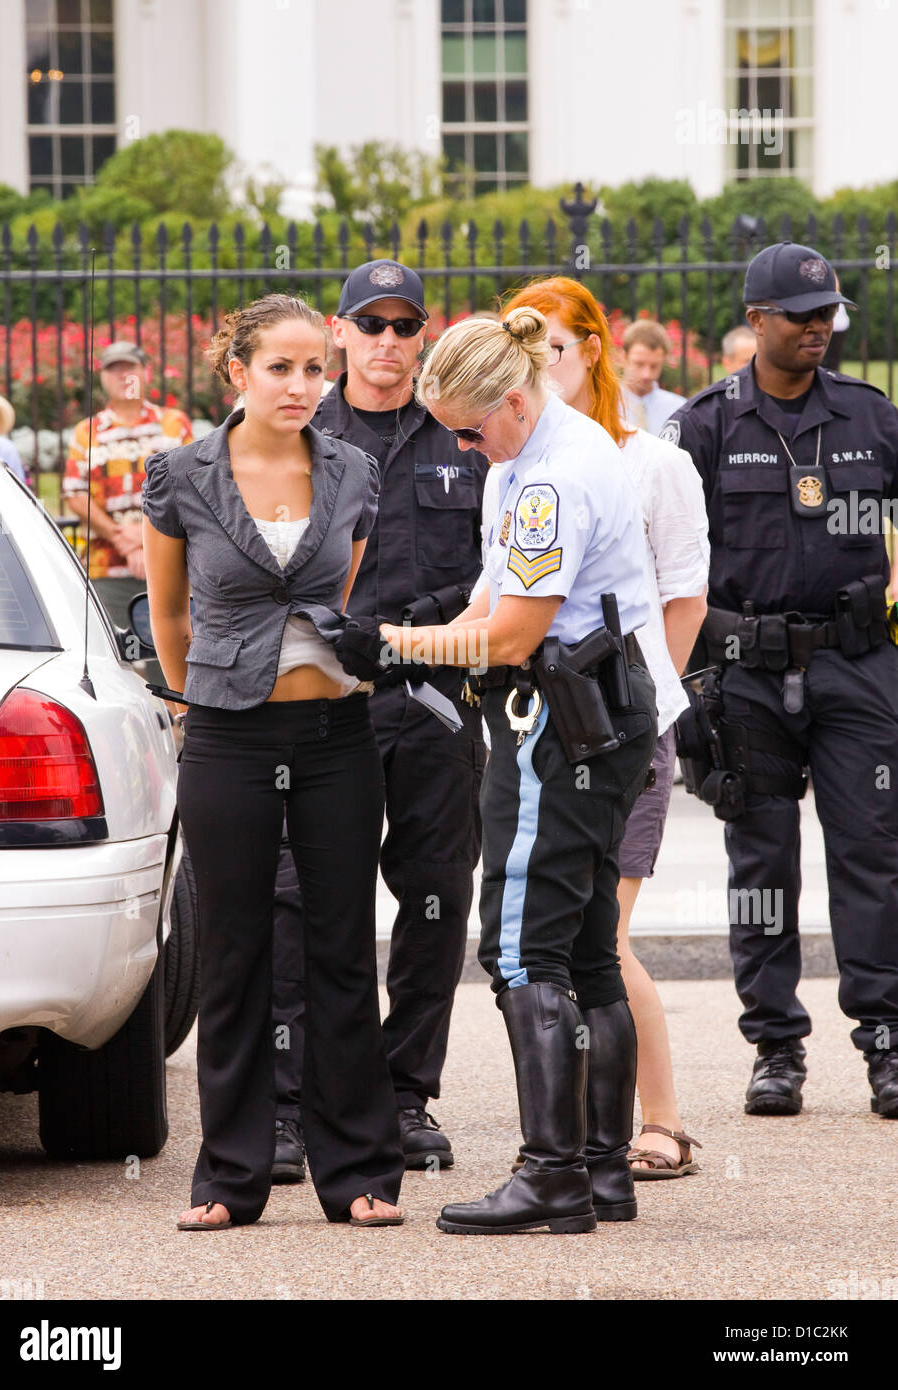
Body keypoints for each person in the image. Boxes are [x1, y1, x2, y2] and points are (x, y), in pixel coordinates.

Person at [344, 306, 658, 1235]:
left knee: (524, 947)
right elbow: (492, 590)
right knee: (590, 945)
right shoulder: (545, 447)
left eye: (473, 431)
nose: (466, 448)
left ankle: (552, 1175)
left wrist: (392, 645)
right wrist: (412, 636)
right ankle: (599, 1170)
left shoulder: (550, 478)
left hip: (559, 713)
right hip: (599, 703)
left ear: (514, 399)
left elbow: (514, 631)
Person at [141, 293, 405, 1230]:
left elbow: (336, 595)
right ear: (236, 373)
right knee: (235, 949)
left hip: (337, 734)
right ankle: (229, 1176)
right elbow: (170, 615)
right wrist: (200, 706)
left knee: (340, 948)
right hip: (227, 736)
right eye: (280, 368)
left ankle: (362, 1171)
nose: (302, 386)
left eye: (312, 369)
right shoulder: (181, 474)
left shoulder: (353, 470)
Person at [662, 241, 898, 1121]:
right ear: (755, 320)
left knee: (873, 858)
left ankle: (886, 1042)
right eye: (799, 316)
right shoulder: (704, 426)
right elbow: (668, 565)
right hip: (745, 676)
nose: (817, 329)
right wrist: (688, 681)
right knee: (760, 861)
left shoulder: (872, 418)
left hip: (858, 665)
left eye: (827, 314)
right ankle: (775, 1046)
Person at [269, 260, 489, 1182]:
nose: (390, 343)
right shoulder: (295, 432)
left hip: (434, 700)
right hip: (322, 700)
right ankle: (289, 1106)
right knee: (301, 900)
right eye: (372, 324)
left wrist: (408, 630)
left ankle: (406, 1095)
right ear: (340, 329)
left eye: (406, 326)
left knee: (435, 900)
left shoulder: (464, 433)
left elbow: (498, 563)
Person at [501, 277, 710, 1190]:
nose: (536, 361)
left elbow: (685, 597)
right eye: (523, 345)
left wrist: (625, 702)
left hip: (622, 726)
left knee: (603, 939)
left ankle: (652, 1123)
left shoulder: (651, 462)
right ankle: (592, 1149)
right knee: (584, 936)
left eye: (550, 343)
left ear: (592, 348)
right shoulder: (521, 457)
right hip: (543, 727)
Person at [64, 341, 192, 636]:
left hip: (171, 562)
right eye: (114, 369)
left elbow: (190, 486)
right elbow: (74, 493)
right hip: (107, 568)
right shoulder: (87, 432)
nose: (123, 376)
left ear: (145, 372)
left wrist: (147, 539)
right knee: (115, 663)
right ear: (103, 378)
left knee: (172, 663)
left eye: (130, 368)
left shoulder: (174, 424)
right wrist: (124, 539)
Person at [620, 319, 685, 435]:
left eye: (654, 366)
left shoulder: (679, 408)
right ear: (624, 357)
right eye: (639, 364)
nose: (647, 375)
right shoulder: (603, 406)